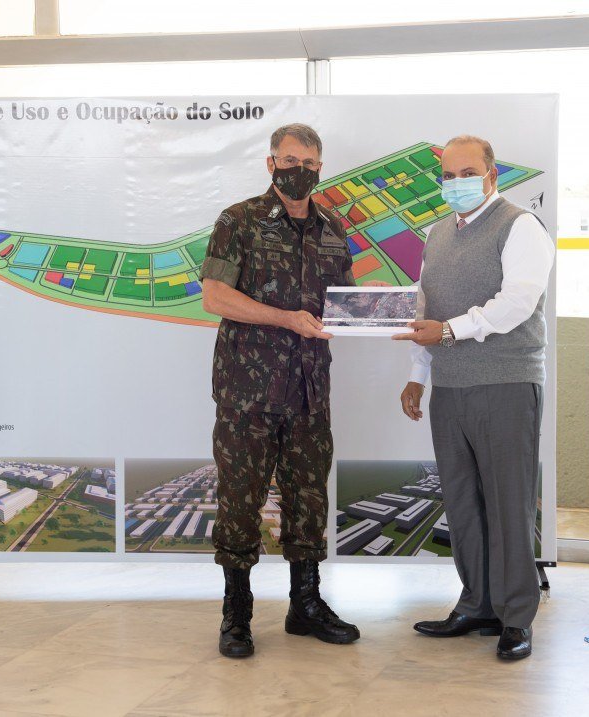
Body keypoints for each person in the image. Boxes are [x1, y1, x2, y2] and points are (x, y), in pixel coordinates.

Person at [200, 123, 361, 658]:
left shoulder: (334, 228)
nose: (302, 172)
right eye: (291, 161)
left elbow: (346, 302)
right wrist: (286, 319)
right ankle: (236, 612)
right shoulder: (239, 221)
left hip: (310, 390)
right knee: (241, 502)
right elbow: (216, 297)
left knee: (309, 498)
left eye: (312, 164)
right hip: (248, 392)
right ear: (271, 163)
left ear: (320, 167)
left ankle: (305, 604)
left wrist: (382, 316)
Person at [393, 135, 555, 661]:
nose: (455, 182)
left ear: (492, 175)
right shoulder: (436, 233)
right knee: (462, 502)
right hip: (451, 387)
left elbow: (516, 303)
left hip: (506, 383)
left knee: (509, 503)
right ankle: (476, 604)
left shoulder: (521, 226)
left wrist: (448, 333)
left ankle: (515, 618)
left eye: (467, 172)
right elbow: (426, 309)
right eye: (448, 173)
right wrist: (419, 373)